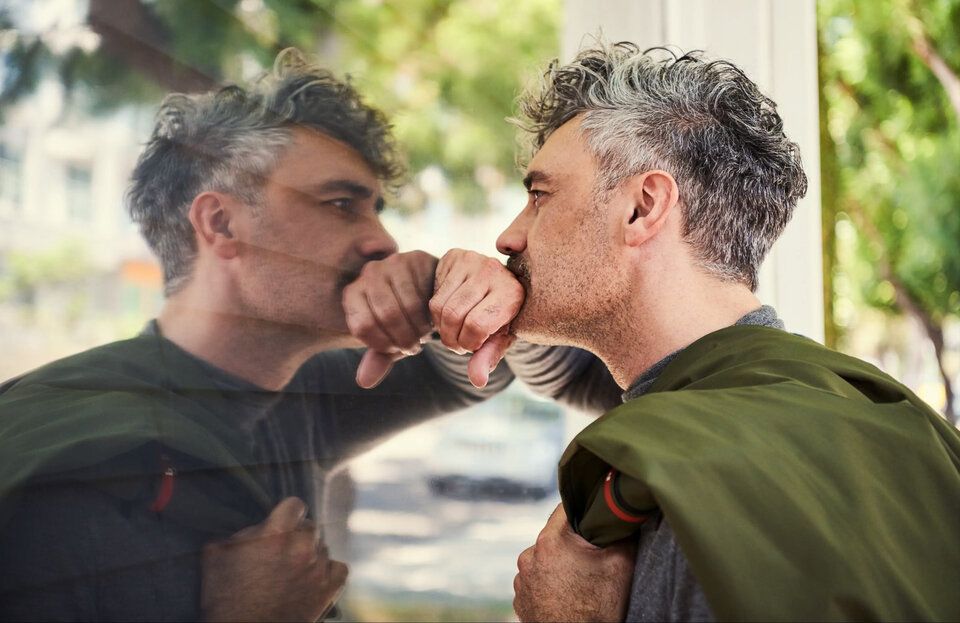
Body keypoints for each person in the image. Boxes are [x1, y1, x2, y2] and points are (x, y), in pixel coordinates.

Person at [0, 49, 621, 621]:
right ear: (221, 224)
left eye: (377, 209)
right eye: (341, 204)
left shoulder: (291, 396)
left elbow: (474, 372)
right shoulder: (73, 459)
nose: (382, 241)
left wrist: (446, 296)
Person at [430, 42, 960, 621]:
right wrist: (437, 292)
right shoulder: (902, 426)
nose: (508, 237)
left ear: (642, 207)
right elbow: (564, 376)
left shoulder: (694, 485)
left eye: (539, 196)